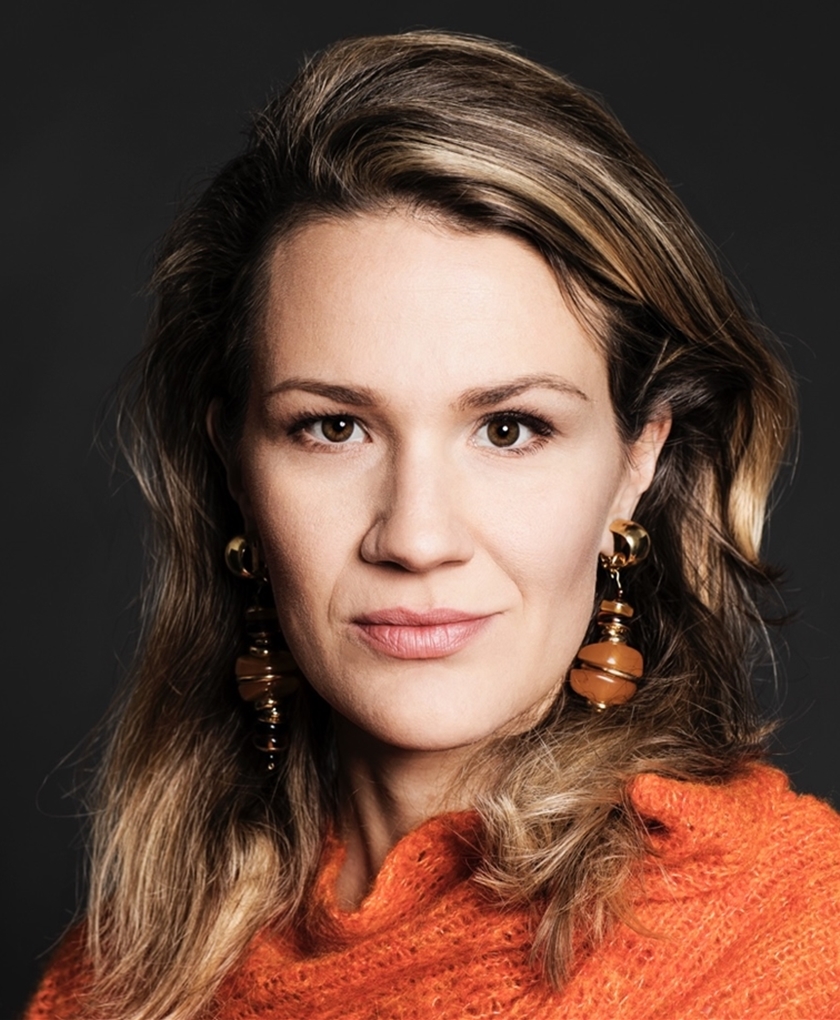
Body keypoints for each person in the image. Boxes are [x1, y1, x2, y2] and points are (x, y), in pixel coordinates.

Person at [25, 30, 840, 1020]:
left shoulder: (790, 936)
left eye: (510, 429)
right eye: (333, 427)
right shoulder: (119, 976)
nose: (414, 538)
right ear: (235, 467)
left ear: (638, 461)